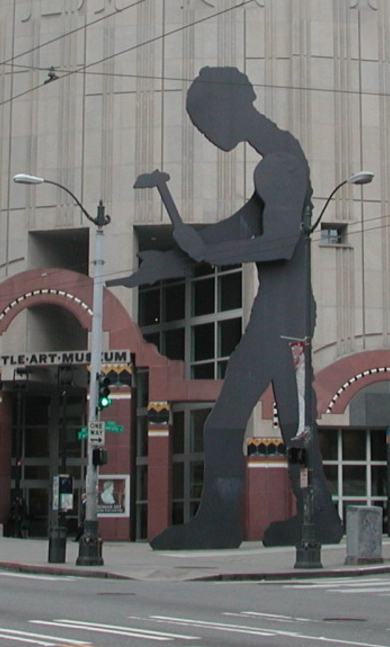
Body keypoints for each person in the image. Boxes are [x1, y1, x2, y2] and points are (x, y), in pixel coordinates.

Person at [123, 67, 338, 549]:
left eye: (204, 121)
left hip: (284, 318)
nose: (205, 132)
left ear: (229, 108)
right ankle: (314, 519)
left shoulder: (278, 162)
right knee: (282, 423)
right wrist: (172, 257)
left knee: (265, 423)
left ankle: (233, 523)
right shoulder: (279, 155)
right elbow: (243, 227)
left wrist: (209, 254)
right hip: (280, 312)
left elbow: (280, 243)